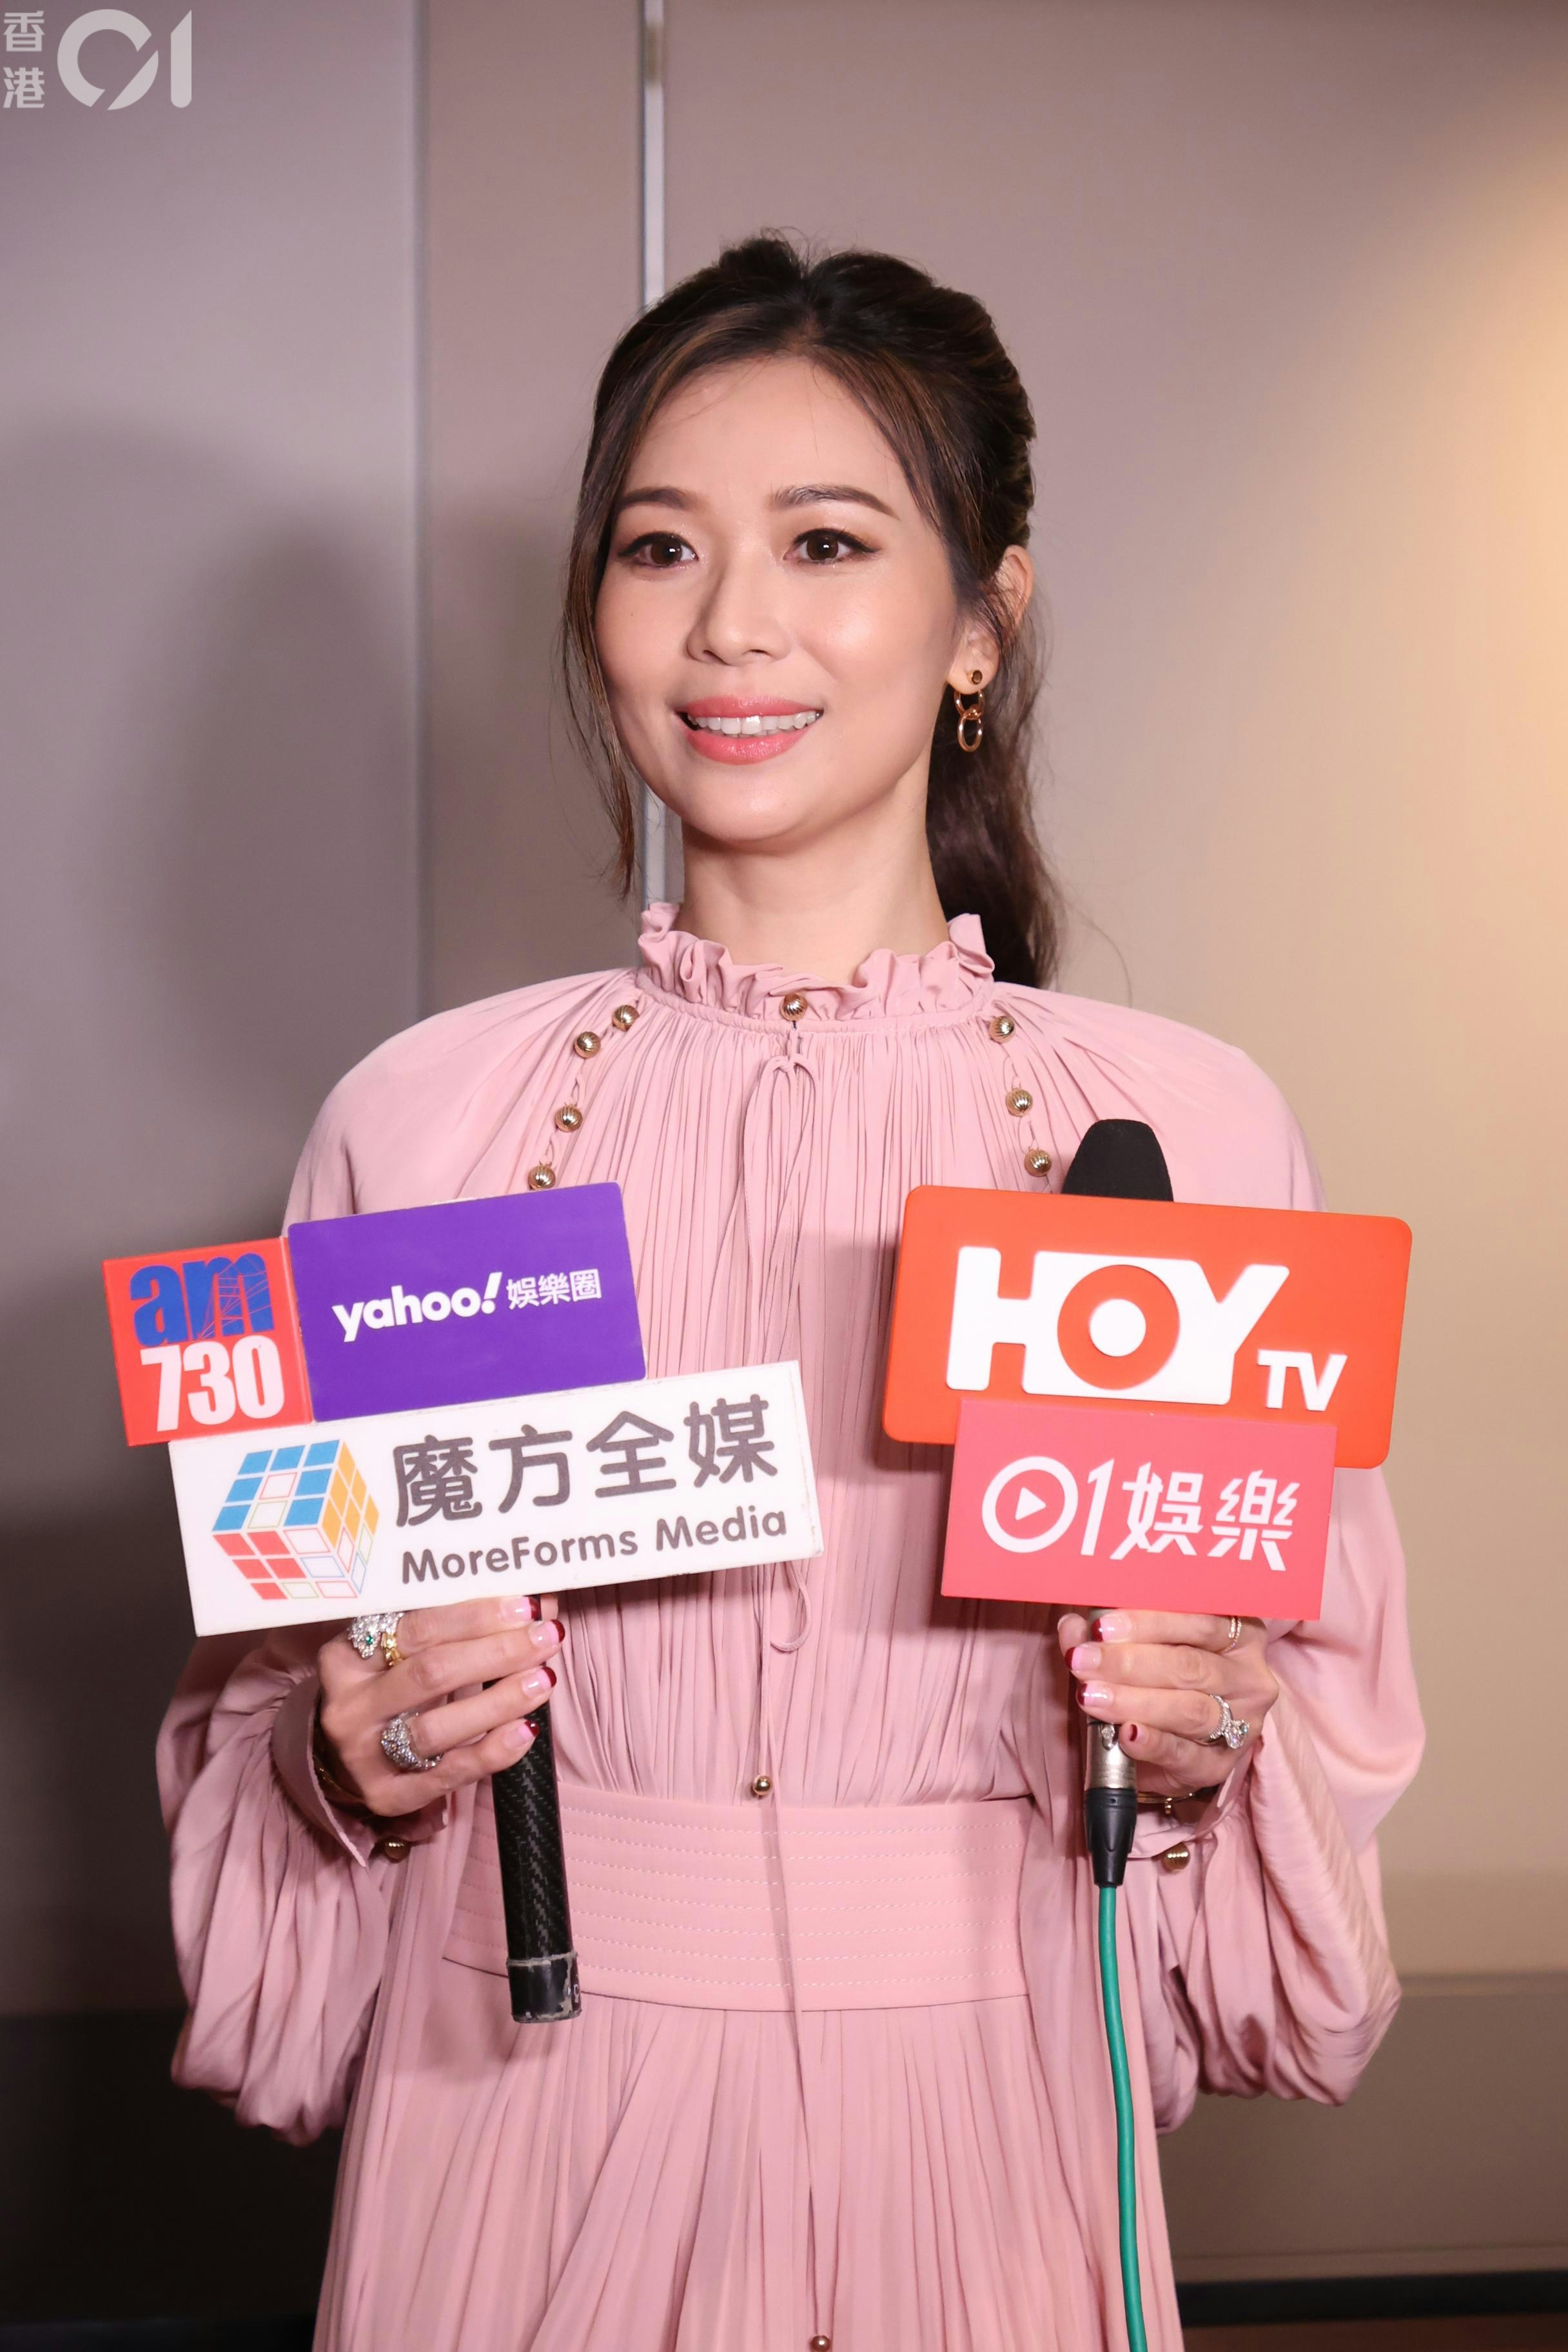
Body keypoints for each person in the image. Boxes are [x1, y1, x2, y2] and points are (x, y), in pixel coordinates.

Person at [159, 238, 1422, 2352]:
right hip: (516, 2124)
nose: (730, 622)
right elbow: (275, 1696)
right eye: (661, 547)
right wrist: (340, 1751)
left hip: (1000, 2126)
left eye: (826, 542)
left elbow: (1297, 1766)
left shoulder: (1183, 1138)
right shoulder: (421, 1126)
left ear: (981, 620)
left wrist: (1206, 1751)